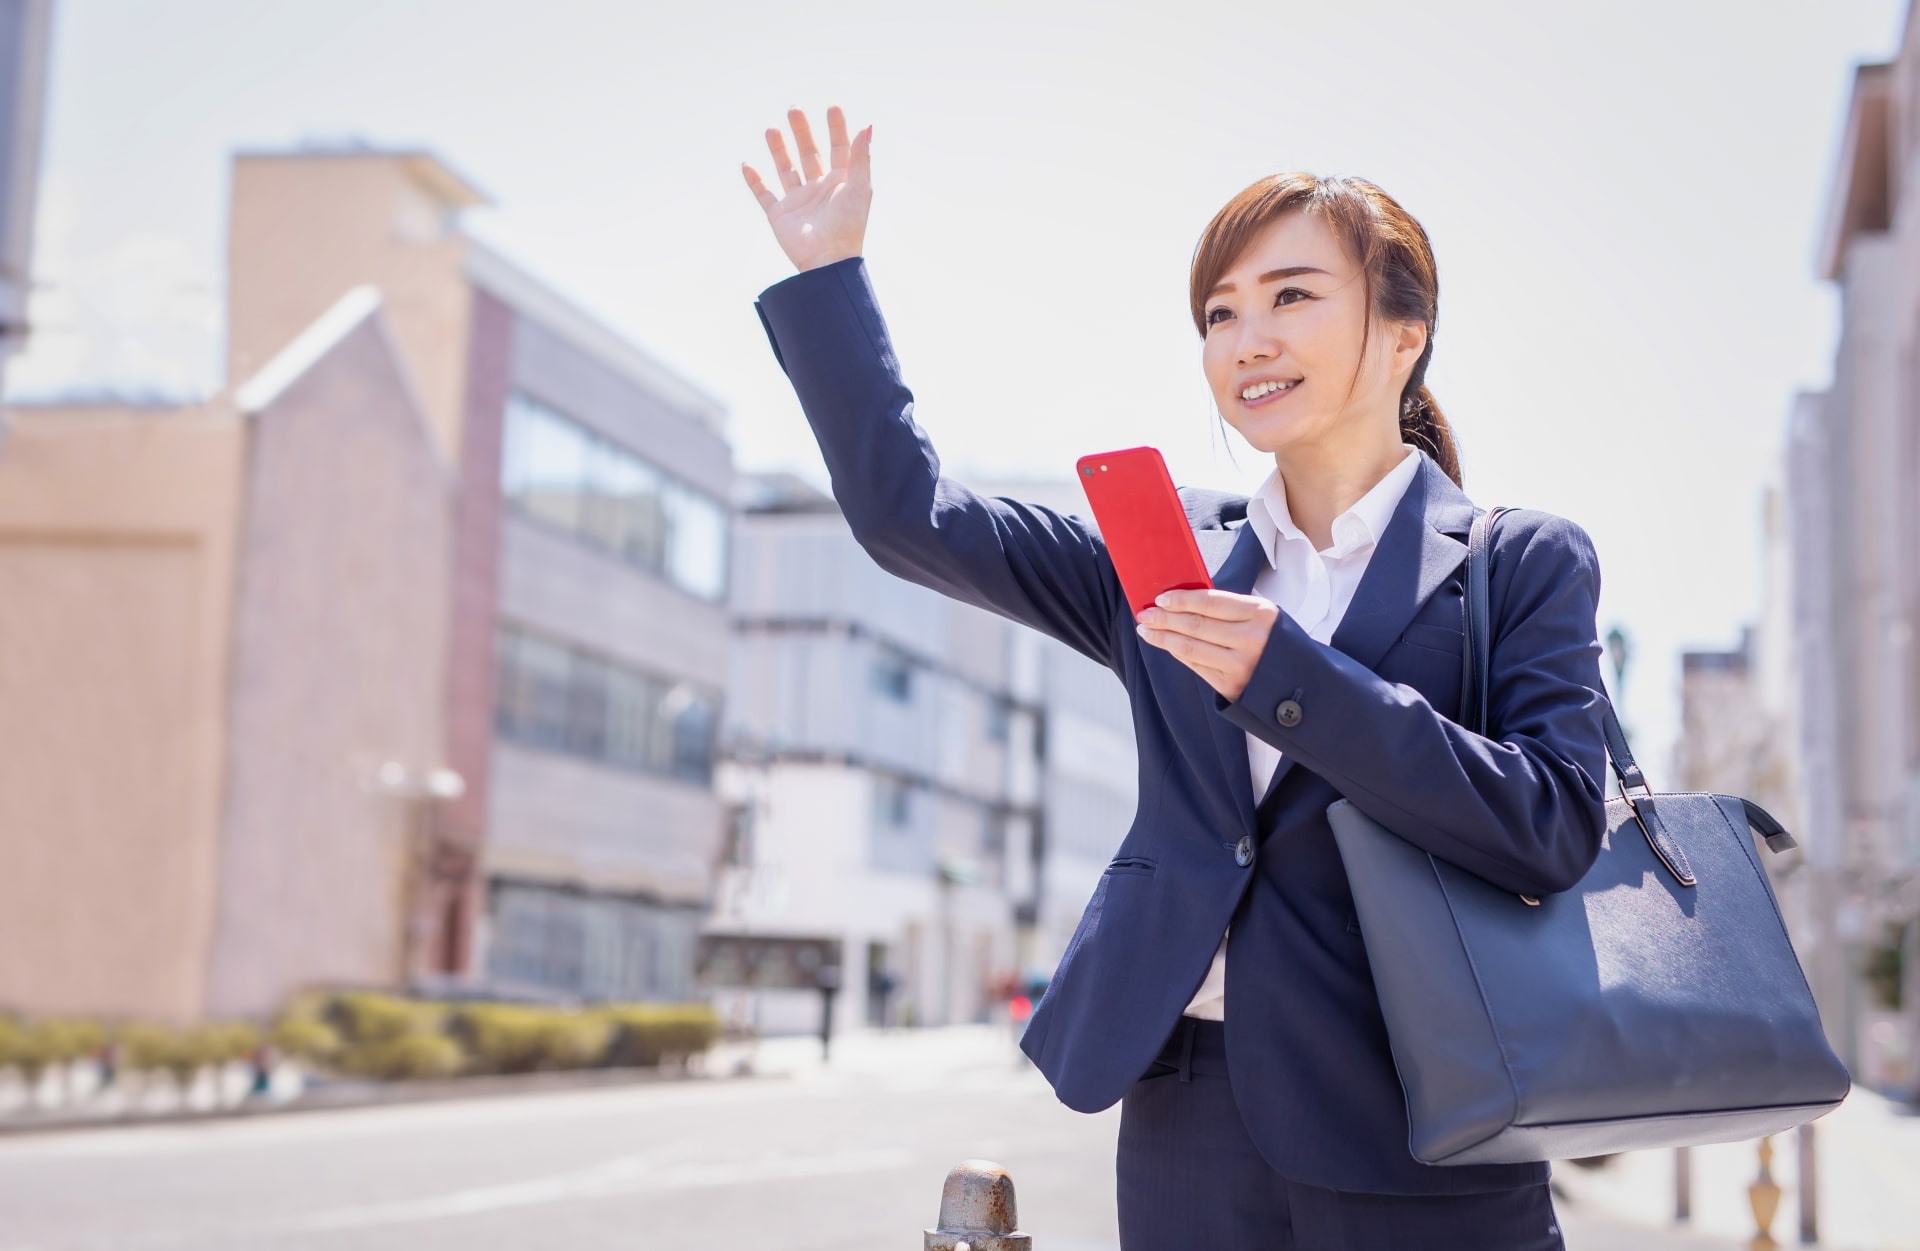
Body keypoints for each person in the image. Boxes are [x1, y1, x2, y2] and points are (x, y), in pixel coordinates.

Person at [742, 106, 1609, 1251]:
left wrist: (1288, 677)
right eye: (1219, 313)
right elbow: (914, 519)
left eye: (1291, 297)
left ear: (1406, 331)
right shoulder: (1163, 563)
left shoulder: (1518, 560)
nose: (1247, 338)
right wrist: (830, 278)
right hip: (1188, 1106)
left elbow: (1551, 824)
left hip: (1423, 1112)